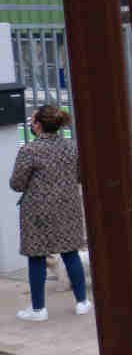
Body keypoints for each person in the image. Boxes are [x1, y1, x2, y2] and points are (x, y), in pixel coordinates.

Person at [10, 106, 91, 321]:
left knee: (36, 257)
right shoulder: (71, 147)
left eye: (33, 120)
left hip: (37, 211)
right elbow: (81, 176)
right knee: (70, 253)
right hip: (68, 207)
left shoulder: (29, 150)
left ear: (37, 125)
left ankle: (38, 309)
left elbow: (17, 184)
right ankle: (82, 302)